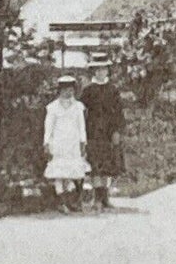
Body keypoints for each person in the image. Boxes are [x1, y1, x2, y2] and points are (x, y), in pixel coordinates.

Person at [81, 55, 125, 210]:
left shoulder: (113, 90)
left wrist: (117, 131)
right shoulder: (88, 90)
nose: (101, 73)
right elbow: (81, 111)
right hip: (93, 131)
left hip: (108, 130)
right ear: (94, 71)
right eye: (98, 70)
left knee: (107, 163)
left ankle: (105, 197)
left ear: (107, 71)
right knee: (95, 163)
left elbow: (119, 112)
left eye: (104, 69)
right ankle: (97, 198)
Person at [43, 75, 89, 213]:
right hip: (58, 143)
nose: (68, 93)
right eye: (64, 90)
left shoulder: (78, 107)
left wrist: (83, 142)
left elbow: (82, 126)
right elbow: (48, 127)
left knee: (71, 172)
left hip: (73, 143)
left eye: (70, 90)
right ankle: (62, 202)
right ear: (59, 91)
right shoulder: (53, 108)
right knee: (59, 172)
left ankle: (71, 202)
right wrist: (46, 143)